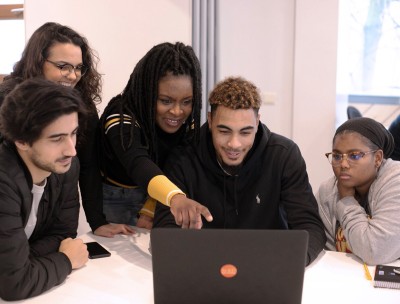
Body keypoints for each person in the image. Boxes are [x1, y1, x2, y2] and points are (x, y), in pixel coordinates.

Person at [153, 76, 326, 265]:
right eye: (224, 131)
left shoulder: (283, 155)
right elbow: (164, 230)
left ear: (258, 122)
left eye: (245, 132)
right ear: (210, 121)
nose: (234, 144)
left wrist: (289, 263)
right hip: (203, 265)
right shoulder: (183, 157)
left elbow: (309, 226)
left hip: (268, 264)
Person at [0, 22, 133, 237]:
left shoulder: (82, 105)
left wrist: (97, 221)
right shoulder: (8, 100)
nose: (73, 75)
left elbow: (90, 164)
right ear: (38, 62)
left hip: (48, 217)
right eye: (63, 66)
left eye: (79, 68)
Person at [99, 42, 212, 230]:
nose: (177, 111)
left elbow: (176, 166)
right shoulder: (120, 116)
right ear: (147, 92)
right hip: (118, 199)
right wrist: (175, 198)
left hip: (165, 195)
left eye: (187, 102)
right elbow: (138, 163)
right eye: (165, 101)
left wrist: (151, 208)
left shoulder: (187, 122)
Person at [0, 79, 89, 300]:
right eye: (57, 138)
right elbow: (15, 285)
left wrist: (24, 261)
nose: (71, 150)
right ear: (22, 141)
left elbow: (63, 234)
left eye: (73, 133)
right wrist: (66, 260)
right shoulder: (3, 181)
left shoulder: (66, 168)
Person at [316, 117, 400, 265]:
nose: (343, 164)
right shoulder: (327, 191)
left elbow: (375, 251)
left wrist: (347, 200)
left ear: (378, 158)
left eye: (354, 155)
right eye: (336, 156)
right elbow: (327, 253)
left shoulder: (395, 181)